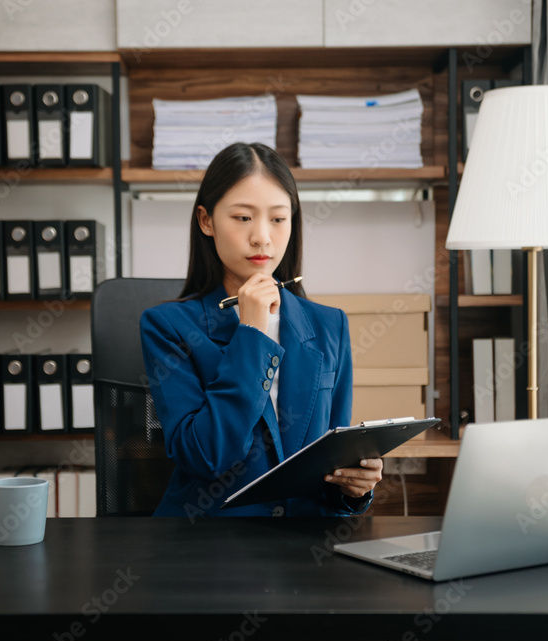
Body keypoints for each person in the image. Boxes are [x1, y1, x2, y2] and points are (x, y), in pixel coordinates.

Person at [140, 142, 383, 518]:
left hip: (304, 547)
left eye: (278, 219)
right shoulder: (167, 326)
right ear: (206, 221)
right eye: (242, 218)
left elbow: (332, 463)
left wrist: (353, 491)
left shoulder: (329, 324)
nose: (262, 237)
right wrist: (252, 335)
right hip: (208, 546)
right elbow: (205, 455)